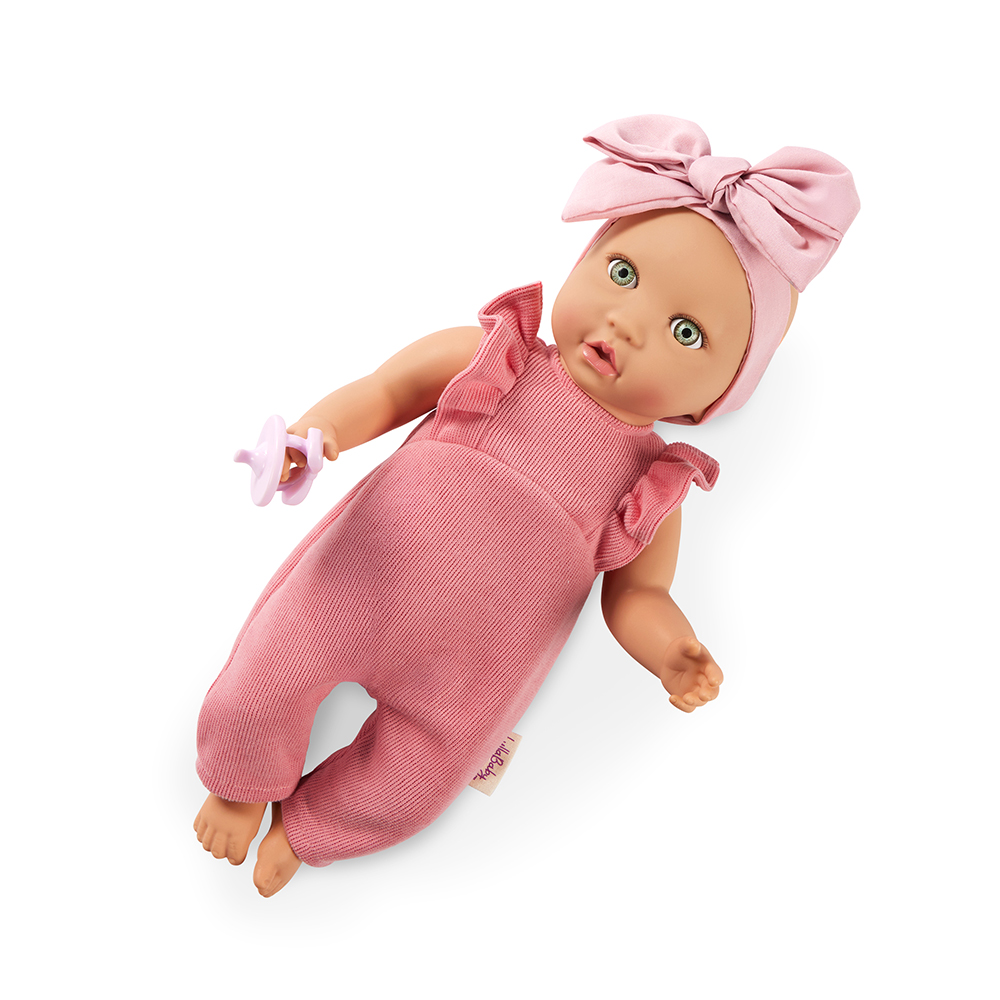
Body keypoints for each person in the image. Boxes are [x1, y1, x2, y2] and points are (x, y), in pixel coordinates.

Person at [193, 115, 860, 896]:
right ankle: (240, 782)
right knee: (264, 678)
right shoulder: (497, 359)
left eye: (685, 332)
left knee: (418, 782)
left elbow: (638, 595)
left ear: (718, 396)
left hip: (470, 675)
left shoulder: (649, 481)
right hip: (358, 581)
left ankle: (312, 829)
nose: (628, 324)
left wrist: (670, 649)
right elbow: (386, 389)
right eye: (621, 274)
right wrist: (319, 434)